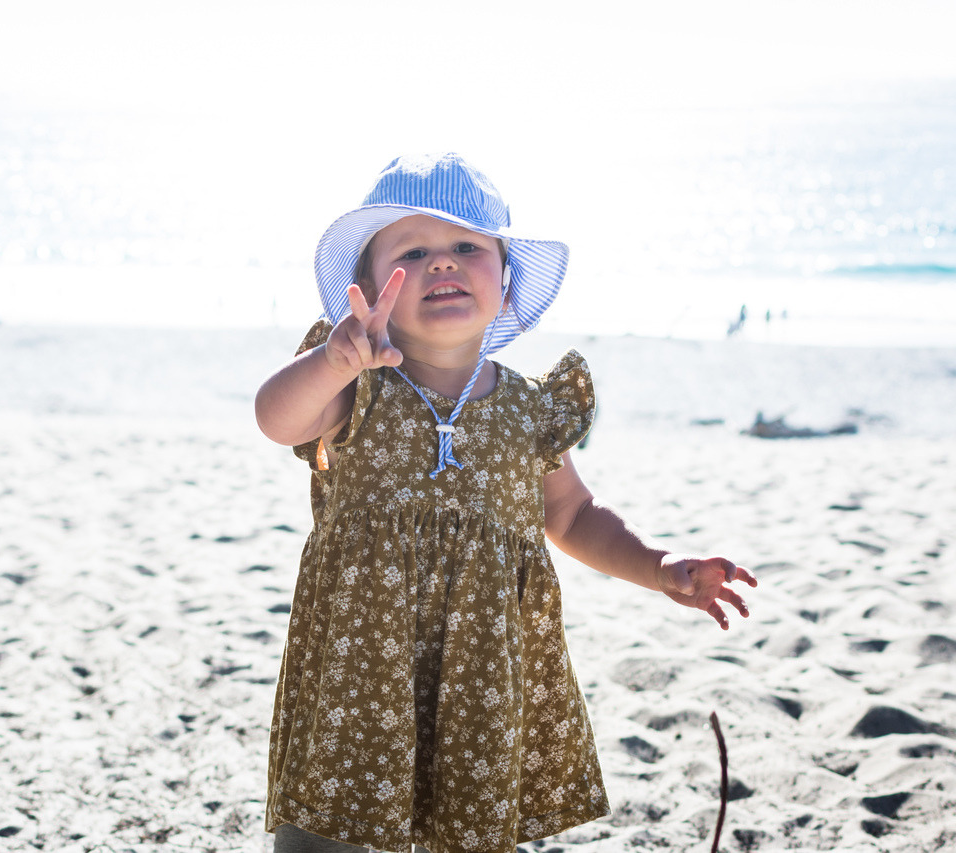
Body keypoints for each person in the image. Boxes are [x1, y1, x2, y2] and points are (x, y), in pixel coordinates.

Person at [254, 154, 757, 853]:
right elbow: (277, 420)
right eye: (412, 253)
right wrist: (336, 361)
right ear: (365, 291)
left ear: (507, 277)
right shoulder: (352, 387)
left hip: (480, 664)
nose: (442, 263)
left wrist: (659, 565)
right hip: (361, 656)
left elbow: (572, 514)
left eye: (468, 247)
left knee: (466, 821)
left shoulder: (528, 407)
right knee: (327, 826)